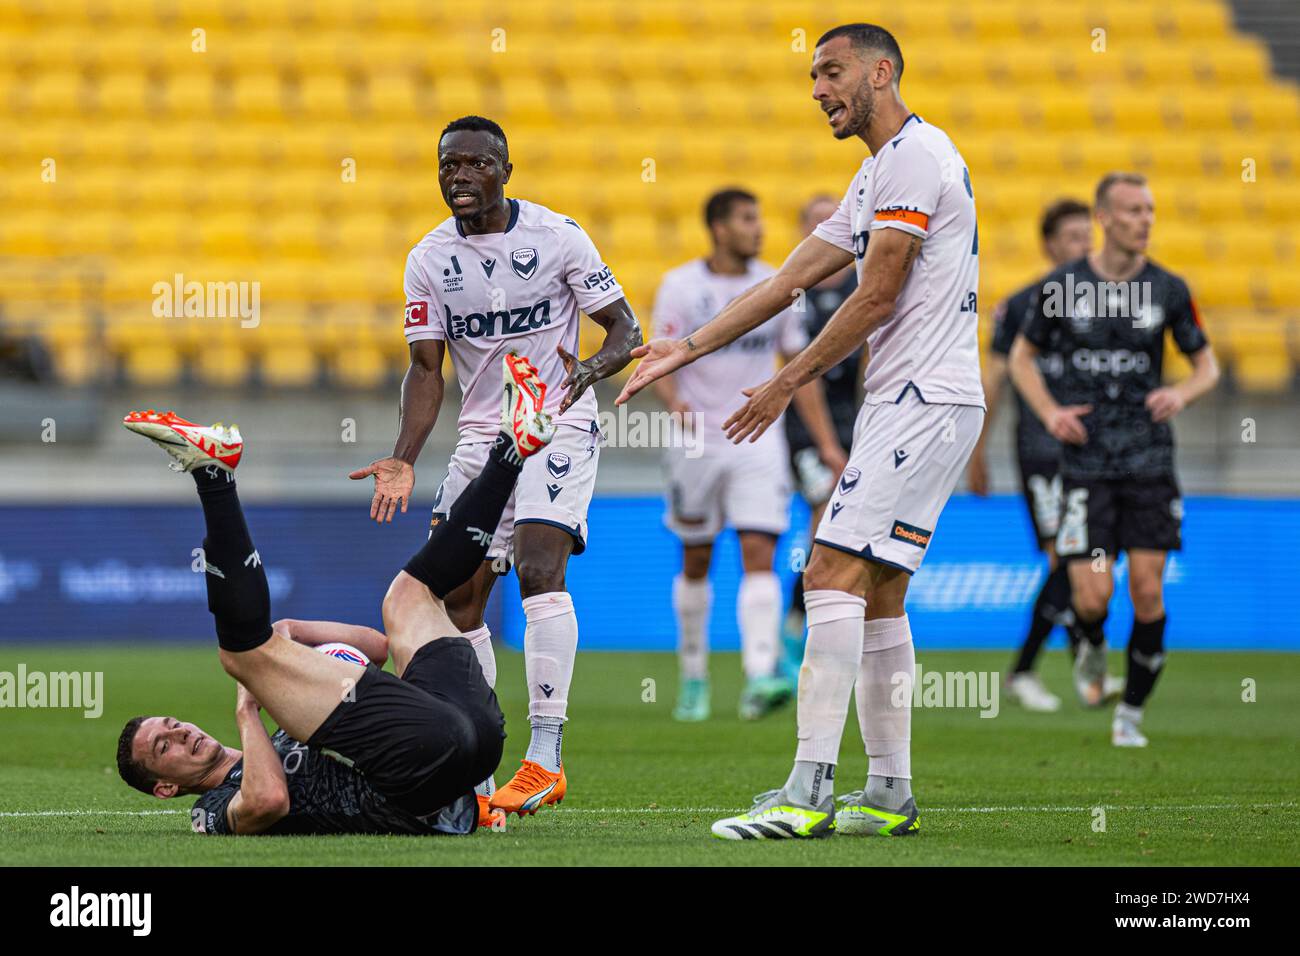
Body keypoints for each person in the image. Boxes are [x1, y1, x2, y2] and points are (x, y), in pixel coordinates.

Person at [619, 23, 984, 839]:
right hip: (927, 398)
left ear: (882, 71)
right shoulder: (877, 172)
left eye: (832, 71)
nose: (817, 89)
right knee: (881, 591)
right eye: (813, 75)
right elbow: (789, 280)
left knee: (825, 571)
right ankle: (889, 791)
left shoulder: (917, 160)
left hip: (920, 398)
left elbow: (877, 294)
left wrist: (785, 381)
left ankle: (807, 790)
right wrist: (690, 343)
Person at [116, 354, 557, 833]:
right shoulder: (213, 808)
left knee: (410, 595)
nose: (181, 734)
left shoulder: (292, 716)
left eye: (173, 725)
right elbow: (267, 802)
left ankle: (511, 450)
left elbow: (379, 648)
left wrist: (296, 632)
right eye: (165, 747)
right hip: (421, 776)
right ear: (165, 787)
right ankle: (214, 477)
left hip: (475, 735)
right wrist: (248, 703)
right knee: (240, 655)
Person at [349, 116, 642, 816]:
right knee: (457, 600)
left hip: (555, 422)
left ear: (505, 171)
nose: (460, 176)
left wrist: (586, 374)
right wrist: (402, 457)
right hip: (483, 437)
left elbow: (625, 329)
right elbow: (426, 370)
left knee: (542, 565)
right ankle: (478, 770)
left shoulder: (558, 237)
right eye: (448, 164)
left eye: (476, 164)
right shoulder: (428, 258)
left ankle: (544, 758)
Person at [1009, 171, 1219, 747]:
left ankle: (1129, 713)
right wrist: (1051, 413)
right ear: (1104, 218)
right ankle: (1093, 643)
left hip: (1149, 462)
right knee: (1091, 595)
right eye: (1132, 211)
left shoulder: (1169, 290)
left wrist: (1182, 392)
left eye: (1149, 209)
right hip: (1084, 464)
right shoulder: (1061, 287)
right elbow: (1021, 360)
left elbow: (1208, 365)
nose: (1144, 220)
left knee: (1148, 592)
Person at [651, 187, 841, 721]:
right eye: (746, 219)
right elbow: (658, 357)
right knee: (697, 559)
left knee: (761, 552)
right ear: (718, 227)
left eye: (758, 218)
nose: (758, 228)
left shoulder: (779, 284)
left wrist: (826, 445)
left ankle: (759, 674)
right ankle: (694, 677)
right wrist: (675, 404)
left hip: (759, 437)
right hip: (698, 443)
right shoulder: (681, 286)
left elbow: (799, 367)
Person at [970, 197, 1120, 712]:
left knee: (1082, 560)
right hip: (1041, 449)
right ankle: (1027, 671)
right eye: (1073, 236)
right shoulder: (1022, 304)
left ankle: (1084, 671)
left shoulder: (1110, 302)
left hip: (1096, 450)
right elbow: (995, 377)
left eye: (1088, 235)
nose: (1084, 244)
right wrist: (977, 450)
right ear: (1050, 244)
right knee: (1065, 556)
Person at [780, 194, 860, 683]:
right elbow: (796, 373)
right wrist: (829, 445)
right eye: (817, 221)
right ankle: (800, 629)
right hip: (806, 426)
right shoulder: (792, 288)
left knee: (848, 526)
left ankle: (814, 626)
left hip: (856, 419)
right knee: (824, 513)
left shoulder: (866, 281)